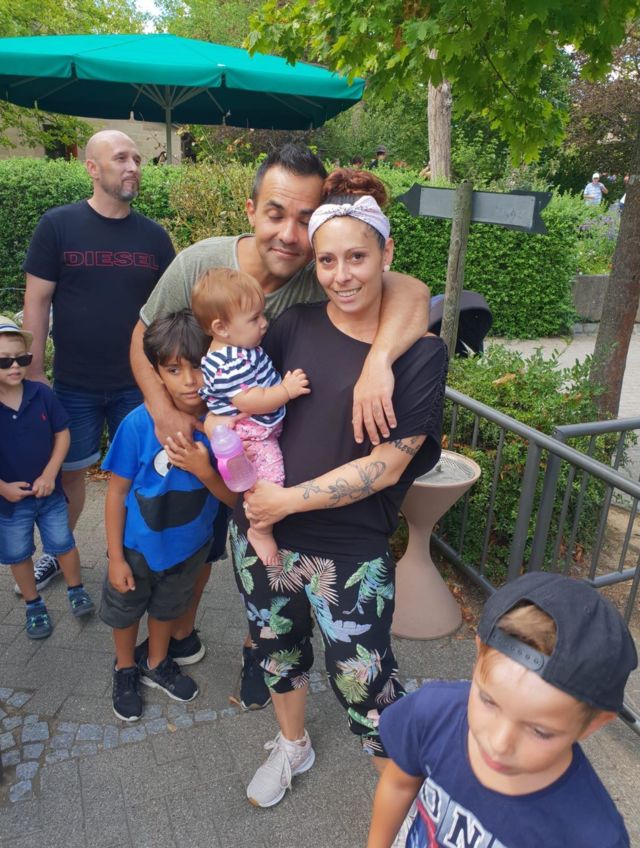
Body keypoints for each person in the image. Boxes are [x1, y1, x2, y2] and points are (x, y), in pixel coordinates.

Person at [130, 144, 431, 711]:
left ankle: (256, 651)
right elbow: (143, 334)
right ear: (251, 210)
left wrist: (379, 361)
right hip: (201, 435)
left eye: (303, 219)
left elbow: (411, 292)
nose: (290, 235)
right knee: (187, 546)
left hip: (268, 457)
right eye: (275, 213)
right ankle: (167, 643)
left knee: (252, 542)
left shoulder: (322, 276)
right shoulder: (202, 264)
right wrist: (170, 414)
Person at [237, 168, 448, 808]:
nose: (341, 274)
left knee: (365, 678)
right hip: (266, 537)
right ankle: (292, 744)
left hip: (349, 551)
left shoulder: (420, 354)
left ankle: (408, 788)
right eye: (327, 260)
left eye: (357, 257)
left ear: (386, 254)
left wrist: (286, 500)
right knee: (277, 651)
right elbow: (247, 402)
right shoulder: (292, 325)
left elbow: (387, 466)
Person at [367, 571, 637, 848]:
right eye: (488, 701)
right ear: (479, 654)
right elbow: (399, 784)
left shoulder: (592, 836)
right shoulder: (433, 713)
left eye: (540, 731)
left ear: (594, 722)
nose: (499, 743)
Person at [20, 129, 176, 595]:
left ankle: (130, 556)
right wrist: (34, 372)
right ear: (92, 167)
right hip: (74, 385)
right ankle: (57, 552)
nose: (133, 167)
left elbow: (168, 315)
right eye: (121, 158)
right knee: (69, 476)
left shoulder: (154, 238)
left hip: (138, 385)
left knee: (142, 475)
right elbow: (36, 301)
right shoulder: (58, 225)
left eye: (137, 159)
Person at [100, 310, 236, 722]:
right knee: (126, 610)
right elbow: (116, 492)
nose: (190, 380)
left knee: (168, 608)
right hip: (136, 548)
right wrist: (115, 557)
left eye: (198, 366)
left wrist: (204, 470)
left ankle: (156, 661)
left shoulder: (222, 427)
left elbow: (234, 499)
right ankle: (125, 667)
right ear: (157, 373)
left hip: (189, 548)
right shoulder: (137, 425)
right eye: (174, 370)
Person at [192, 268, 310, 565]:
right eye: (254, 318)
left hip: (256, 427)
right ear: (221, 328)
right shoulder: (226, 363)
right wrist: (286, 390)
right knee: (271, 481)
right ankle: (260, 528)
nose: (264, 323)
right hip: (252, 436)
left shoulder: (239, 348)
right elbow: (252, 401)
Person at [0, 316, 94, 640]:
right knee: (18, 554)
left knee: (63, 543)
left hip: (50, 493)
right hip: (10, 501)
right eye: (4, 361)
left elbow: (62, 433)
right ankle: (33, 604)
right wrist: (3, 488)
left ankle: (76, 589)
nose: (15, 366)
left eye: (22, 358)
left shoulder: (41, 393)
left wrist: (51, 473)